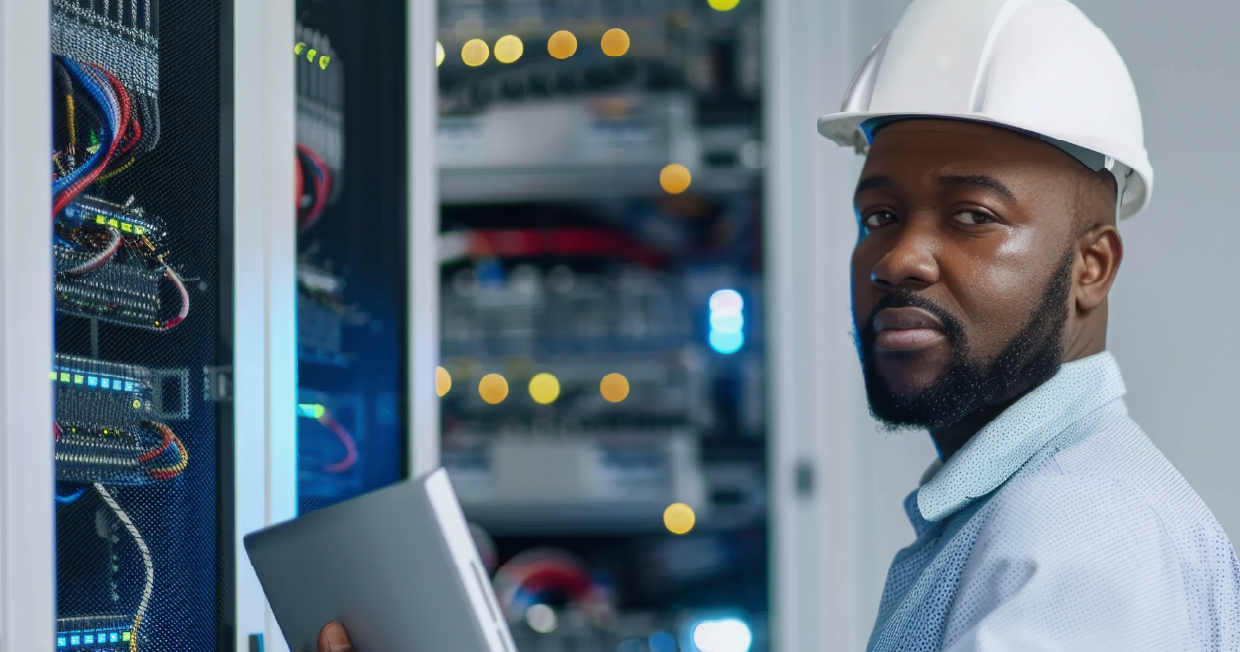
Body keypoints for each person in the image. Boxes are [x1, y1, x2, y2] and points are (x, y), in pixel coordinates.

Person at [317, 0, 1240, 649]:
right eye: (878, 216)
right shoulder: (1022, 511)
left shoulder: (1081, 541)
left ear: (1091, 267)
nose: (899, 259)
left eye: (971, 217)